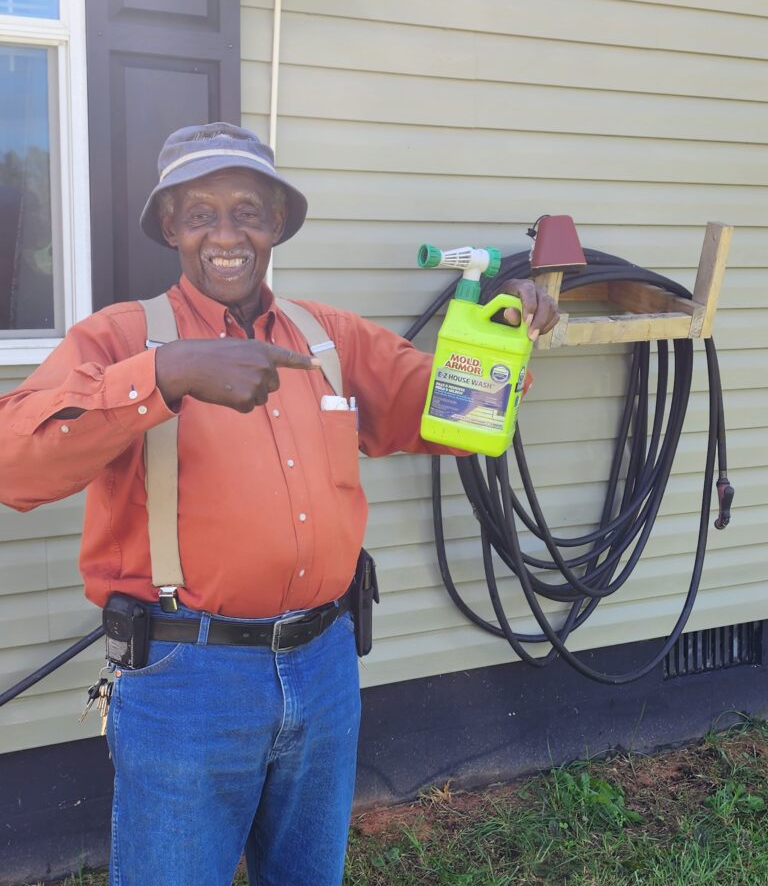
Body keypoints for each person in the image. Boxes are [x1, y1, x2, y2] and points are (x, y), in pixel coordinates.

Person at [0, 123, 559, 886]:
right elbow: (15, 466)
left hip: (325, 665)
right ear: (171, 227)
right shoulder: (122, 337)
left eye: (248, 211)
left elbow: (453, 418)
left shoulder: (326, 338)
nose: (225, 234)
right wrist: (167, 376)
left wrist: (499, 336)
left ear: (277, 226)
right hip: (186, 677)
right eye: (200, 213)